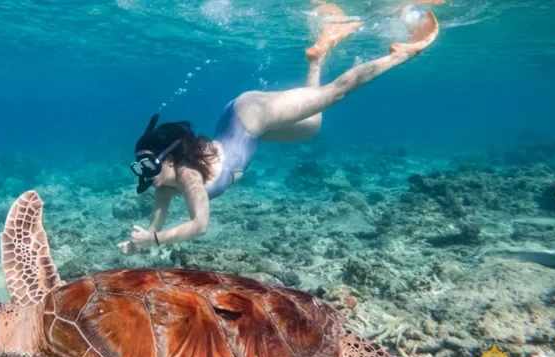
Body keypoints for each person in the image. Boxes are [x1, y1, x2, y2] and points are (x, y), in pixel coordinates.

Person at [118, 2, 441, 255]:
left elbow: (199, 225)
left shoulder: (187, 177)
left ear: (170, 157)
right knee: (312, 127)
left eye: (148, 164)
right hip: (246, 132)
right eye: (139, 167)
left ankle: (401, 54)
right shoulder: (163, 185)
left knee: (334, 93)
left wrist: (156, 240)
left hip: (250, 115)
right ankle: (318, 56)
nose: (143, 174)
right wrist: (139, 242)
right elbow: (153, 225)